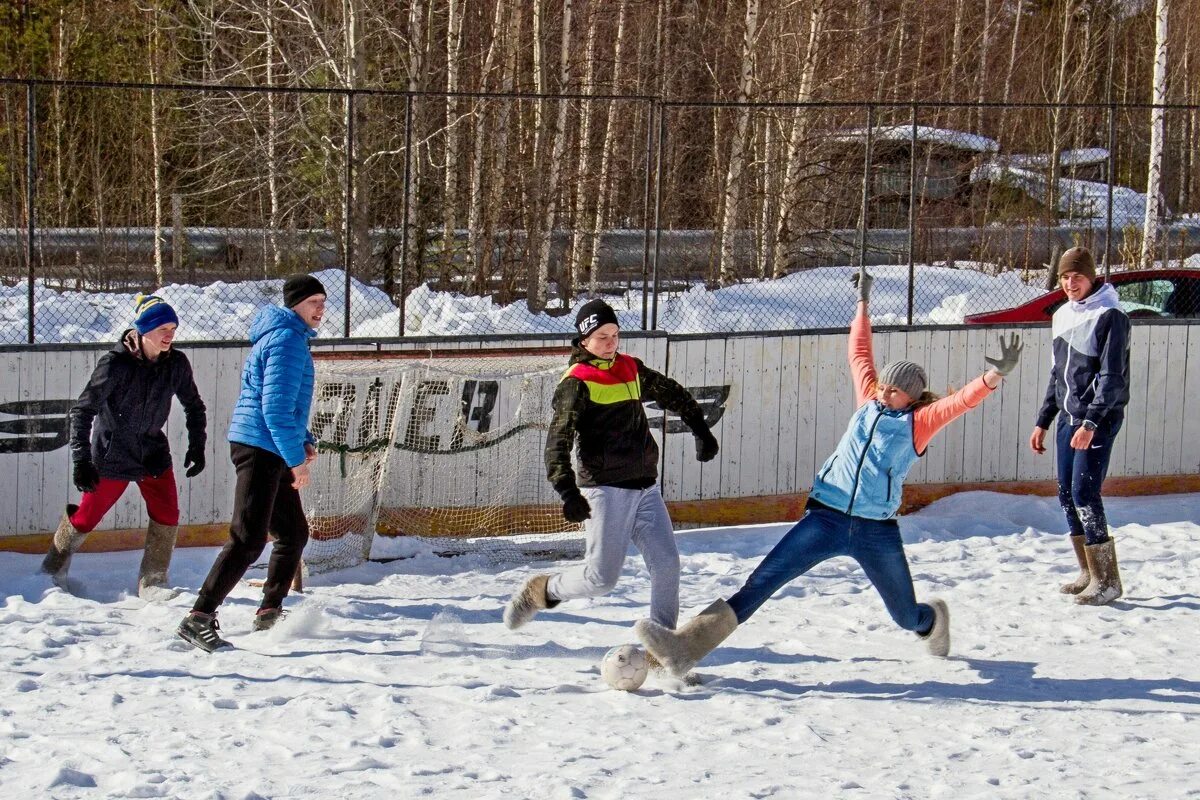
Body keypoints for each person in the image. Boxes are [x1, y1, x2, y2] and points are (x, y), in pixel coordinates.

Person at [635, 267, 1023, 679]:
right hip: (827, 518)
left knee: (905, 615)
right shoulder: (867, 401)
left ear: (910, 395)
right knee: (761, 582)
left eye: (894, 389)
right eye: (883, 386)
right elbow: (859, 352)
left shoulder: (919, 422)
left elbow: (961, 402)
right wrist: (863, 303)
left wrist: (993, 376)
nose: (883, 391)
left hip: (876, 530)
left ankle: (932, 622)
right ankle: (685, 646)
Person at [503, 299, 720, 636]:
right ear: (584, 340)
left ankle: (663, 644)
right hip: (604, 490)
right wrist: (568, 490)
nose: (610, 343)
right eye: (602, 336)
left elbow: (671, 393)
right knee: (600, 579)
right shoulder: (576, 383)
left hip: (645, 488)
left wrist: (700, 428)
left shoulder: (630, 368)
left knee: (667, 566)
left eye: (615, 334)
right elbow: (557, 441)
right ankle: (542, 590)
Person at [177, 274, 326, 652]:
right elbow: (273, 409)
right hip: (260, 447)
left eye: (323, 302)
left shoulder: (288, 339)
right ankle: (199, 617)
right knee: (247, 539)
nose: (321, 309)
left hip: (269, 444)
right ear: (295, 305)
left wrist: (302, 441)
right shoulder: (287, 341)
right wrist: (297, 461)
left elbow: (286, 407)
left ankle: (269, 611)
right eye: (314, 302)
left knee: (293, 533)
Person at [41, 294, 207, 599]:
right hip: (112, 453)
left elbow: (194, 405)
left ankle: (153, 580)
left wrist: (198, 443)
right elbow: (82, 410)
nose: (169, 334)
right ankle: (53, 567)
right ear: (144, 330)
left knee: (168, 513)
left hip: (152, 451)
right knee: (87, 516)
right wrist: (81, 460)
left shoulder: (177, 364)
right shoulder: (115, 364)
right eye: (162, 329)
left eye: (173, 328)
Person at [1029, 247, 1130, 606]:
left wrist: (1091, 421)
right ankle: (1088, 572)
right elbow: (1057, 375)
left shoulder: (1111, 315)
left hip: (1097, 419)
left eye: (1078, 277)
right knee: (1066, 494)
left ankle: (1108, 581)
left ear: (1091, 278)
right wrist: (1044, 420)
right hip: (1069, 418)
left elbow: (1112, 377)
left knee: (1085, 493)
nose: (1071, 283)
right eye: (1065, 277)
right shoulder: (1061, 316)